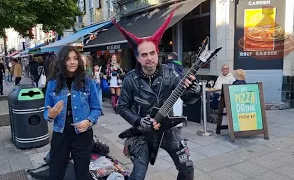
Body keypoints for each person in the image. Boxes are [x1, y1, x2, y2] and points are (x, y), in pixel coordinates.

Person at [113, 7, 203, 180]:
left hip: (169, 130)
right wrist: (139, 120)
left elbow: (188, 98)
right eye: (144, 54)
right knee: (138, 175)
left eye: (152, 53)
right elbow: (122, 107)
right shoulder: (130, 79)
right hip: (141, 132)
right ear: (138, 58)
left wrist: (194, 89)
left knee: (187, 169)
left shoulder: (171, 73)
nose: (149, 58)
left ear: (157, 53)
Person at [44, 46, 101, 180]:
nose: (72, 62)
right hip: (60, 132)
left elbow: (96, 108)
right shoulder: (52, 83)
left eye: (75, 58)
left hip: (82, 132)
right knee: (56, 172)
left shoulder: (87, 82)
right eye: (68, 59)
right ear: (62, 61)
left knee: (82, 173)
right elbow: (46, 111)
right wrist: (50, 115)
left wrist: (88, 121)